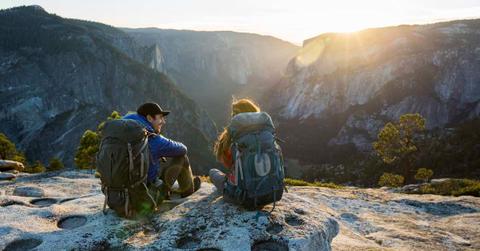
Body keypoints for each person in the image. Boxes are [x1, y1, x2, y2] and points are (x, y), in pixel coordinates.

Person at [123, 102, 201, 200]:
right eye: (160, 117)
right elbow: (182, 149)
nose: (163, 122)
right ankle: (188, 191)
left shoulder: (122, 132)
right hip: (145, 198)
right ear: (149, 118)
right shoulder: (153, 139)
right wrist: (161, 140)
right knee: (182, 157)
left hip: (119, 196)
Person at [209, 98, 261, 193]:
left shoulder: (230, 136)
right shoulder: (264, 132)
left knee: (213, 172)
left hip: (242, 190)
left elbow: (224, 160)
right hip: (267, 187)